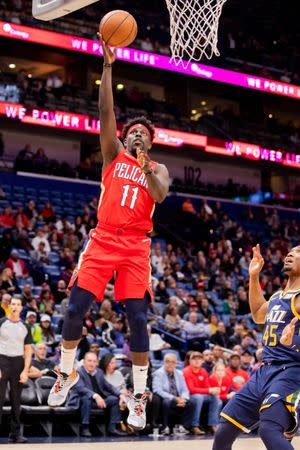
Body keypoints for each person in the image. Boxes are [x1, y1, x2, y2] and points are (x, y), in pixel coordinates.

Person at [48, 32, 169, 434]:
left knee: (137, 317)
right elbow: (104, 114)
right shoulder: (113, 154)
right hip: (103, 239)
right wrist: (107, 66)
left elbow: (160, 194)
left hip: (136, 246)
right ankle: (66, 372)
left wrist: (147, 163)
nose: (135, 134)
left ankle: (137, 396)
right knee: (75, 308)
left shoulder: (157, 169)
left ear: (150, 142)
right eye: (132, 131)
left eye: (142, 133)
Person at [213, 244, 300, 450]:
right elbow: (258, 314)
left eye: (298, 253)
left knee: (269, 429)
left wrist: (293, 342)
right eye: (290, 251)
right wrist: (254, 277)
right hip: (264, 371)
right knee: (224, 430)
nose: (290, 254)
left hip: (291, 371)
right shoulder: (278, 296)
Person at [67, 352, 126, 437]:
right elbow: (81, 389)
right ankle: (85, 428)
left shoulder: (99, 372)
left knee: (114, 399)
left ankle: (112, 428)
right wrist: (96, 395)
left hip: (96, 402)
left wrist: (120, 394)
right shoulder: (77, 372)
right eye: (89, 361)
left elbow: (108, 386)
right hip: (81, 402)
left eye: (94, 361)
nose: (92, 364)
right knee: (85, 398)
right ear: (84, 362)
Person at [0, 297, 32, 443]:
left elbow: (28, 351)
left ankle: (15, 434)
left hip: (18, 362)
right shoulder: (1, 322)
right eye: (13, 304)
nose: (15, 306)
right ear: (9, 305)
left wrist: (25, 370)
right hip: (2, 360)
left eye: (18, 304)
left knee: (15, 401)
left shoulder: (26, 326)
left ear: (21, 308)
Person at [153, 353, 199, 435]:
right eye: (167, 361)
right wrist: (175, 398)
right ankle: (165, 427)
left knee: (192, 401)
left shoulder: (179, 373)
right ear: (164, 362)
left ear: (175, 364)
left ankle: (183, 427)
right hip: (166, 399)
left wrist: (183, 399)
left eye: (172, 362)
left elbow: (185, 389)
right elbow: (157, 390)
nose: (170, 364)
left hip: (179, 399)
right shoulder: (158, 373)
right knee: (166, 402)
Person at [183, 351, 222, 434]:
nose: (197, 361)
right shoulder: (186, 371)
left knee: (215, 398)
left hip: (201, 395)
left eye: (199, 359)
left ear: (202, 361)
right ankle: (194, 426)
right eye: (194, 359)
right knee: (198, 397)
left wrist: (213, 390)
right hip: (189, 396)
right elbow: (191, 389)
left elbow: (207, 387)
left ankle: (213, 424)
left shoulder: (203, 371)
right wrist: (209, 390)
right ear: (190, 361)